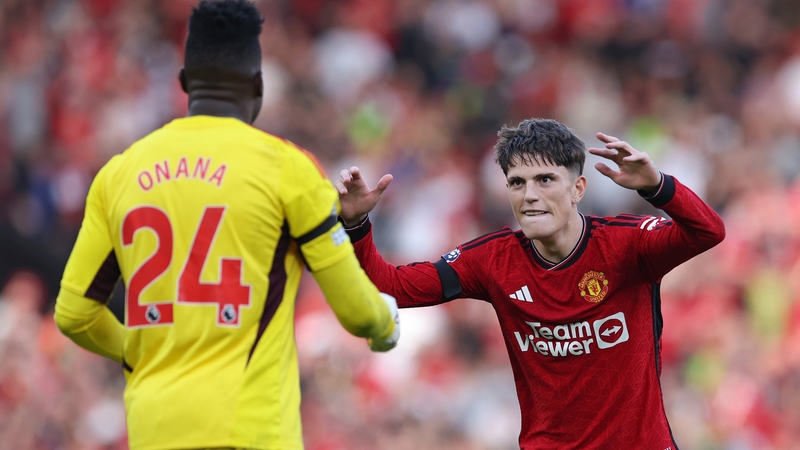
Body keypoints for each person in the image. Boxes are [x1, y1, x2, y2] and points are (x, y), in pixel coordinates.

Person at [54, 1, 400, 449]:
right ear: (258, 86)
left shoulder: (118, 173)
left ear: (184, 83)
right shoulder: (288, 168)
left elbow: (74, 314)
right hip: (248, 430)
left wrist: (146, 351)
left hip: (153, 430)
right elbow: (355, 309)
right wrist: (384, 326)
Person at [335, 118, 726, 449]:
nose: (530, 196)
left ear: (578, 189)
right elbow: (390, 287)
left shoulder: (627, 245)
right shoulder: (491, 260)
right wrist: (355, 225)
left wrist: (657, 185)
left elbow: (708, 231)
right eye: (517, 183)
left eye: (545, 179)